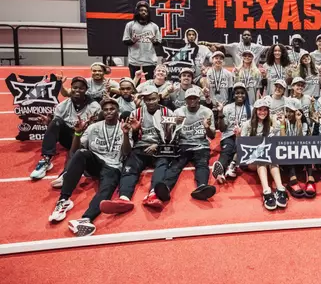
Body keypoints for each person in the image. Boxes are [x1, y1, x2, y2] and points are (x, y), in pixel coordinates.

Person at [47, 98, 133, 237]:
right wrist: (77, 133)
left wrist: (124, 134)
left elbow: (126, 152)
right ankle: (64, 200)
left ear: (118, 111)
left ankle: (86, 219)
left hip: (113, 166)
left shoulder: (124, 127)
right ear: (102, 112)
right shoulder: (94, 127)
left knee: (106, 190)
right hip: (95, 162)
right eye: (105, 110)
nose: (108, 112)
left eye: (112, 109)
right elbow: (73, 152)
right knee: (81, 153)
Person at [98, 84, 173, 212]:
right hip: (140, 147)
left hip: (160, 147)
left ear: (158, 98)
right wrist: (134, 131)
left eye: (153, 99)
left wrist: (158, 145)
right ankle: (124, 198)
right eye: (147, 99)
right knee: (129, 166)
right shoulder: (135, 114)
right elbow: (131, 140)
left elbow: (172, 139)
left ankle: (153, 194)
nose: (150, 102)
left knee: (163, 164)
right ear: (143, 100)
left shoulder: (167, 113)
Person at [153, 87, 217, 203]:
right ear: (185, 100)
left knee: (202, 164)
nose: (192, 101)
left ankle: (202, 187)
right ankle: (165, 187)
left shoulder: (207, 112)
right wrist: (173, 125)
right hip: (183, 144)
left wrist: (207, 128)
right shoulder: (178, 112)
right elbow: (168, 136)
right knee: (175, 166)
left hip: (201, 145)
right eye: (189, 98)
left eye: (194, 98)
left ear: (199, 99)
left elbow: (212, 136)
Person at [30, 77, 101, 180]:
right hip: (69, 137)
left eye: (81, 88)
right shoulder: (62, 105)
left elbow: (95, 130)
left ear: (86, 90)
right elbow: (58, 127)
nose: (77, 90)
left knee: (77, 150)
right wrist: (49, 123)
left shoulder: (94, 106)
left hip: (85, 139)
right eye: (75, 88)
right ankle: (46, 160)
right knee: (56, 122)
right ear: (71, 88)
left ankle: (67, 173)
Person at [240, 99, 288, 210]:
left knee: (271, 156)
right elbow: (242, 146)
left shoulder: (270, 124)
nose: (263, 112)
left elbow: (280, 140)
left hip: (267, 157)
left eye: (265, 110)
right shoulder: (247, 124)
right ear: (255, 111)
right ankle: (266, 191)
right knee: (262, 157)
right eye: (260, 109)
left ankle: (280, 189)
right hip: (250, 160)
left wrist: (281, 125)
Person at [213, 82, 251, 180]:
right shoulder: (227, 108)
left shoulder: (251, 109)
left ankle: (230, 167)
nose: (239, 95)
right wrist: (220, 113)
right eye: (237, 93)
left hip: (244, 136)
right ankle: (220, 170)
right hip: (229, 135)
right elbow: (222, 129)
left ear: (245, 95)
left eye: (242, 93)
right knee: (227, 150)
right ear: (233, 95)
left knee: (238, 146)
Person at [280, 97, 312, 198]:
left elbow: (300, 140)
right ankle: (292, 179)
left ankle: (310, 178)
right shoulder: (283, 121)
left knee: (307, 148)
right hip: (286, 159)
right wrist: (282, 125)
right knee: (287, 148)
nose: (288, 114)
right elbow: (282, 141)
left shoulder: (304, 123)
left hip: (300, 158)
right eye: (287, 111)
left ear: (298, 112)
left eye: (291, 111)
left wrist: (298, 121)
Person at [123, 0, 162, 80]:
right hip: (135, 60)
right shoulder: (130, 25)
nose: (143, 12)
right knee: (135, 84)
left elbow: (158, 42)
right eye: (141, 10)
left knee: (151, 84)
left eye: (145, 11)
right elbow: (125, 41)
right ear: (137, 11)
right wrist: (133, 41)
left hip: (150, 60)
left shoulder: (154, 26)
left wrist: (154, 41)